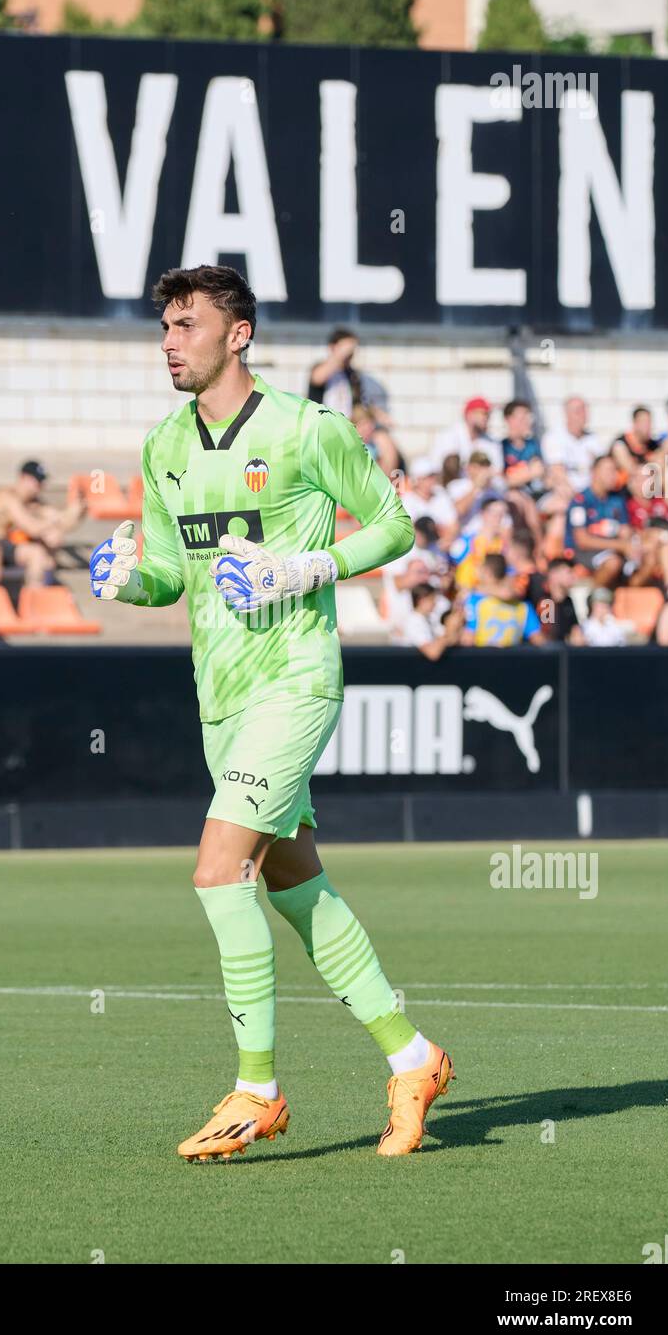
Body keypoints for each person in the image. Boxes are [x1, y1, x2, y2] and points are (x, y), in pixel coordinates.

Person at [90, 263, 453, 1161]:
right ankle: (414, 1059)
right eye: (164, 328)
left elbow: (395, 524)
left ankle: (258, 1089)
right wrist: (131, 580)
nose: (170, 342)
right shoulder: (163, 445)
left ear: (238, 333)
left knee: (220, 872)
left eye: (186, 325)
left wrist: (308, 566)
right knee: (294, 883)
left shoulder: (307, 429)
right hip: (220, 691)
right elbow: (174, 571)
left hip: (295, 678)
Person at [0, 461, 85, 586]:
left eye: (42, 481)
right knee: (37, 553)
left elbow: (63, 522)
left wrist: (79, 510)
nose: (41, 486)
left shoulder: (35, 502)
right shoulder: (7, 497)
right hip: (0, 547)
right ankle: (34, 597)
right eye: (37, 481)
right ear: (23, 477)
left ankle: (43, 591)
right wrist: (59, 518)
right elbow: (32, 527)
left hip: (20, 546)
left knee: (54, 538)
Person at [565, 456, 632, 589]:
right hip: (585, 553)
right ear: (594, 472)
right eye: (609, 470)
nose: (614, 475)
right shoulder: (580, 501)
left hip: (613, 549)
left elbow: (626, 531)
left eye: (615, 471)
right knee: (613, 563)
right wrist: (619, 545)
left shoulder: (617, 501)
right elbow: (582, 540)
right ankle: (592, 598)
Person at [307, 326, 391, 423]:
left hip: (345, 425)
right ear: (332, 347)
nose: (349, 353)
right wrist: (342, 353)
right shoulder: (320, 367)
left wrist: (377, 414)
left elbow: (360, 403)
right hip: (321, 424)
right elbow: (317, 378)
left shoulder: (352, 375)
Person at [461, 553, 544, 648]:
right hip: (513, 660)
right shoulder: (523, 607)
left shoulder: (475, 601)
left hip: (482, 659)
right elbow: (539, 641)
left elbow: (467, 640)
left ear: (487, 572)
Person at [434, 396, 503, 477]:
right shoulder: (449, 436)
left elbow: (498, 473)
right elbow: (439, 468)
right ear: (469, 415)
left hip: (484, 487)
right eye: (483, 413)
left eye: (488, 414)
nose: (486, 418)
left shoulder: (492, 442)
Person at [402, 582, 464, 661]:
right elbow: (432, 653)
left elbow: (449, 640)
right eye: (432, 599)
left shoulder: (428, 619)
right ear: (421, 600)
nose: (435, 603)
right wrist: (450, 628)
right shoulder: (414, 621)